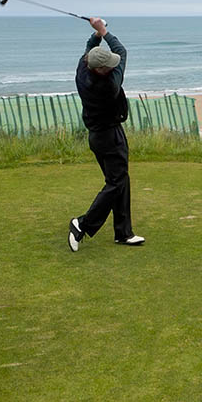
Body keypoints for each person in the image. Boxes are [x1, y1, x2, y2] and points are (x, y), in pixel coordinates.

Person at [68, 17, 145, 251]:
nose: (114, 65)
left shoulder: (83, 70)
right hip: (111, 137)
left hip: (96, 137)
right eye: (109, 64)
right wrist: (103, 29)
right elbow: (121, 50)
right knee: (116, 182)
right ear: (101, 69)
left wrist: (96, 35)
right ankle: (82, 224)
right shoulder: (109, 83)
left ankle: (123, 232)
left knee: (119, 179)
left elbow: (89, 50)